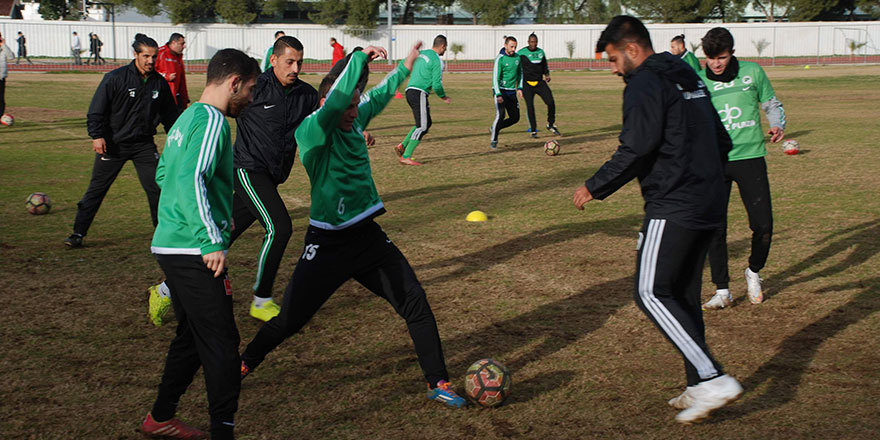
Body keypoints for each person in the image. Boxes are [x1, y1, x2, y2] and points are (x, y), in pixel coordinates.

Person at [239, 42, 467, 409]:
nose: (353, 112)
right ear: (328, 105)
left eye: (355, 105)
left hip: (368, 239)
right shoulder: (313, 129)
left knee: (415, 303)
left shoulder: (355, 115)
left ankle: (438, 381)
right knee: (290, 321)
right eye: (346, 106)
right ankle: (245, 362)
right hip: (328, 245)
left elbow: (375, 96)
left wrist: (404, 67)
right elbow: (340, 97)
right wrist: (359, 55)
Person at [573, 16, 742, 424]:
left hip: (675, 202)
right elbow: (722, 138)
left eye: (613, 59)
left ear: (632, 49)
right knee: (682, 295)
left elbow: (637, 147)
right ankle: (696, 384)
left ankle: (713, 378)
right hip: (709, 199)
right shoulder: (684, 72)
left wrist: (594, 186)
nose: (613, 69)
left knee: (649, 292)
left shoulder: (645, 82)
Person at [148, 36, 320, 325]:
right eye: (289, 61)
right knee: (279, 227)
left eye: (300, 62)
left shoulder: (306, 94)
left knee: (223, 236)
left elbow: (321, 122)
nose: (296, 68)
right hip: (247, 171)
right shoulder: (255, 87)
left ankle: (164, 290)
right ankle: (261, 300)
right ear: (274, 59)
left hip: (272, 177)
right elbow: (225, 104)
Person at [140, 48, 260, 440]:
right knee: (223, 344)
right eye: (251, 90)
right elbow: (192, 177)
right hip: (193, 250)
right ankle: (223, 432)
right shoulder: (211, 121)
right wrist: (211, 240)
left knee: (192, 337)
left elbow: (164, 173)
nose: (252, 99)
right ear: (234, 83)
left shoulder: (186, 116)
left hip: (172, 243)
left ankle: (160, 417)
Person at [698, 27, 786, 310]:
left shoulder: (753, 72)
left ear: (732, 53)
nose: (716, 63)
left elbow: (771, 103)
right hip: (714, 162)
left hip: (750, 158)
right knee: (715, 228)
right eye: (711, 58)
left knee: (764, 226)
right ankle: (722, 290)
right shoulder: (699, 81)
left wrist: (777, 123)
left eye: (721, 57)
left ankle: (753, 271)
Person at [64, 34, 179, 248]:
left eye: (154, 57)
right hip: (113, 145)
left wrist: (177, 139)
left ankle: (163, 234)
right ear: (135, 55)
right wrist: (97, 136)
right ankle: (78, 233)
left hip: (144, 146)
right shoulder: (115, 78)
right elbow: (96, 111)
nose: (151, 61)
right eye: (146, 56)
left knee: (157, 189)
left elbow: (170, 116)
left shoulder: (159, 83)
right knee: (97, 190)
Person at [394, 34, 450, 166]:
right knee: (423, 126)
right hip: (419, 92)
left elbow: (403, 63)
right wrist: (443, 96)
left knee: (424, 122)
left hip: (410, 91)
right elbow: (437, 84)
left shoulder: (421, 54)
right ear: (442, 46)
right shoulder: (437, 61)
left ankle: (402, 145)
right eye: (445, 48)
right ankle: (406, 156)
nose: (445, 51)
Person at [518, 33, 561, 138]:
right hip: (527, 84)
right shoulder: (521, 53)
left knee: (550, 102)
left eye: (535, 42)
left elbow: (544, 65)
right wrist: (518, 85)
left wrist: (547, 74)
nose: (534, 44)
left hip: (539, 82)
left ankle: (550, 124)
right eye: (532, 42)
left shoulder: (541, 52)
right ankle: (533, 130)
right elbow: (517, 68)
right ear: (528, 42)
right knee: (530, 107)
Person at [490, 36, 523, 150]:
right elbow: (495, 78)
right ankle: (494, 141)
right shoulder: (500, 59)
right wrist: (498, 94)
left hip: (511, 92)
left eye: (515, 47)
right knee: (501, 115)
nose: (513, 49)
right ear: (505, 45)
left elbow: (520, 74)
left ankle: (495, 127)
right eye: (511, 46)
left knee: (515, 118)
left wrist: (520, 87)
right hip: (501, 91)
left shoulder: (518, 58)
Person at [156, 33, 190, 113]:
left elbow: (182, 80)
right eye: (182, 43)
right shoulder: (160, 53)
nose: (184, 46)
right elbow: (151, 72)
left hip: (175, 97)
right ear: (173, 43)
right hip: (161, 97)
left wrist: (184, 99)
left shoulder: (179, 57)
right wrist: (166, 77)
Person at [1, 33, 13, 118]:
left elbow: (11, 56)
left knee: (1, 99)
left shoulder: (3, 49)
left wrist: (3, 45)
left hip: (1, 77)